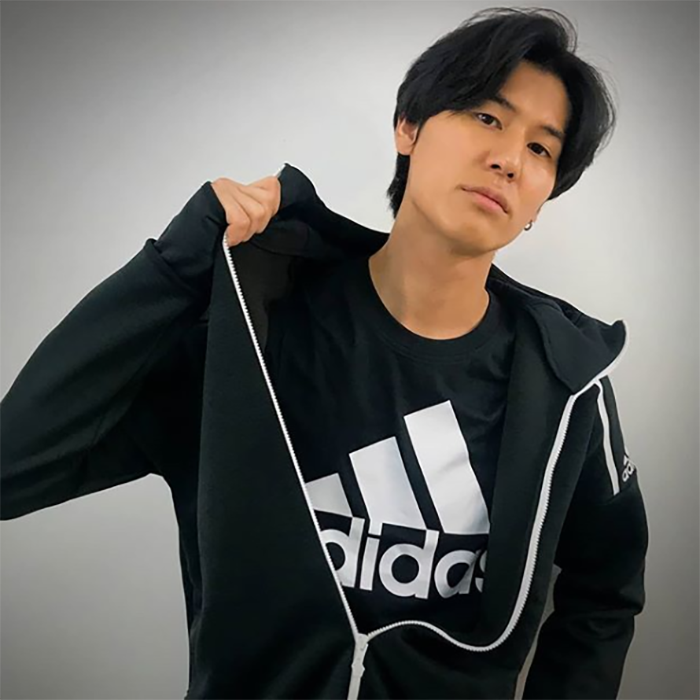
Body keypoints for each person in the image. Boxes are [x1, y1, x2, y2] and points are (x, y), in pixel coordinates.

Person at [0, 7, 647, 700]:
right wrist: (177, 266)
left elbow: (605, 588)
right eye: (487, 117)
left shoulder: (565, 381)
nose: (509, 159)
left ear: (543, 199)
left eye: (542, 149)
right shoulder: (251, 332)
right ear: (408, 126)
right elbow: (13, 469)